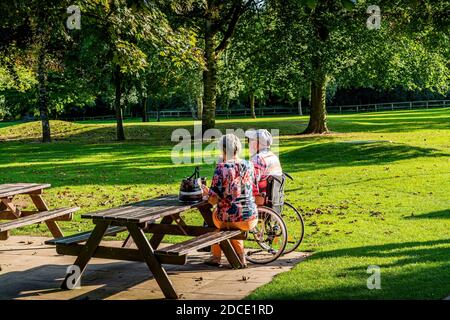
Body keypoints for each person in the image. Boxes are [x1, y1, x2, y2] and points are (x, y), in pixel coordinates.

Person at [201, 134, 260, 267]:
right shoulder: (249, 165)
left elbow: (212, 200)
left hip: (232, 218)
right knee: (233, 217)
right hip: (251, 217)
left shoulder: (222, 167)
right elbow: (252, 189)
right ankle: (240, 257)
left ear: (222, 149)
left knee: (216, 219)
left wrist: (206, 192)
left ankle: (216, 257)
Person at [245, 129, 283, 201]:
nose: (248, 143)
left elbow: (251, 181)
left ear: (258, 143)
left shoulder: (258, 159)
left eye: (250, 140)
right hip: (273, 197)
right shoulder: (273, 156)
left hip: (260, 198)